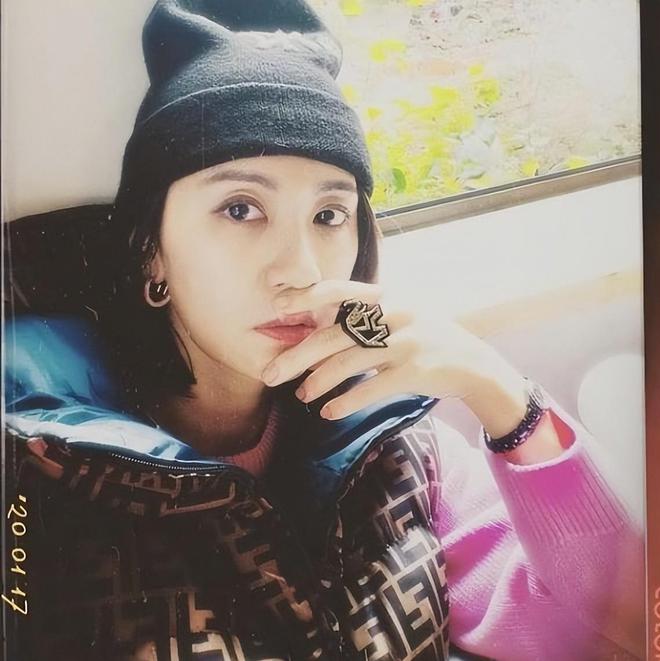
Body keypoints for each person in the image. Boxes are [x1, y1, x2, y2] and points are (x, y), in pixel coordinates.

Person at [3, 1, 644, 660]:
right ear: (151, 253)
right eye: (241, 208)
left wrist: (501, 393)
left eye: (330, 215)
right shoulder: (41, 475)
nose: (302, 269)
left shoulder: (396, 440)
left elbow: (622, 626)